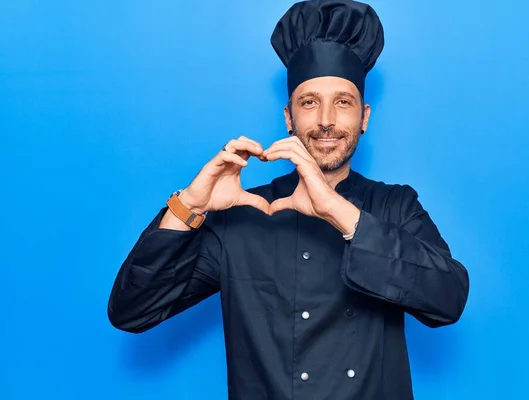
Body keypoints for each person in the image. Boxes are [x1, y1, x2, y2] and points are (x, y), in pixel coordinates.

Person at [107, 0, 470, 399]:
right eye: (309, 102)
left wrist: (337, 211)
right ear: (288, 118)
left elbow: (447, 299)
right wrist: (190, 205)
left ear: (364, 117)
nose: (326, 119)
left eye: (343, 102)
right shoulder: (243, 213)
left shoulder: (395, 205)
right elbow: (131, 310)